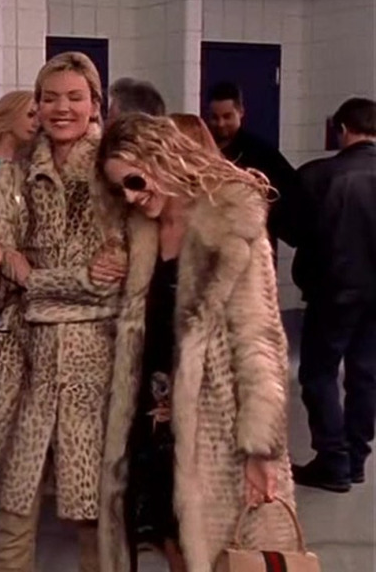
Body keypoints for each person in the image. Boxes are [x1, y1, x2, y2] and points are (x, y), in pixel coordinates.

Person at [96, 113, 297, 572]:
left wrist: (260, 447)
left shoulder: (229, 226)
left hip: (215, 430)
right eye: (120, 189)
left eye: (134, 181)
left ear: (163, 158)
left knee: (214, 554)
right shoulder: (139, 231)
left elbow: (260, 341)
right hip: (152, 422)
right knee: (171, 543)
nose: (130, 196)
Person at [0, 51, 127, 572]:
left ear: (94, 104)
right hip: (22, 363)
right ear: (36, 105)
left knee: (95, 515)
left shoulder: (113, 175)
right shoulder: (13, 176)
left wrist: (32, 278)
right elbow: (0, 275)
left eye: (75, 98)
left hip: (94, 365)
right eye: (51, 97)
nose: (63, 109)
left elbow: (109, 285)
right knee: (12, 511)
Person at [291, 97, 376, 492]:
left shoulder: (318, 176)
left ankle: (333, 462)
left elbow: (292, 230)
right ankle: (356, 460)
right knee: (365, 375)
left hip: (332, 292)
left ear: (341, 129)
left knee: (319, 374)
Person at [206, 82, 298, 250]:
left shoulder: (261, 153)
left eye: (227, 116)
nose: (220, 124)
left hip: (251, 243)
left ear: (241, 112)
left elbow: (290, 192)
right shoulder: (201, 150)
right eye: (214, 117)